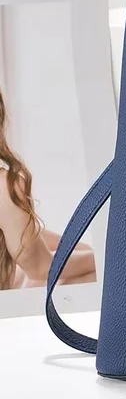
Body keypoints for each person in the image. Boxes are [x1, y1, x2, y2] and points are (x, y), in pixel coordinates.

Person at [0, 89, 95, 290]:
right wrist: (100, 258)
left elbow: (24, 234)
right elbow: (40, 268)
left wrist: (81, 247)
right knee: (92, 275)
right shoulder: (5, 187)